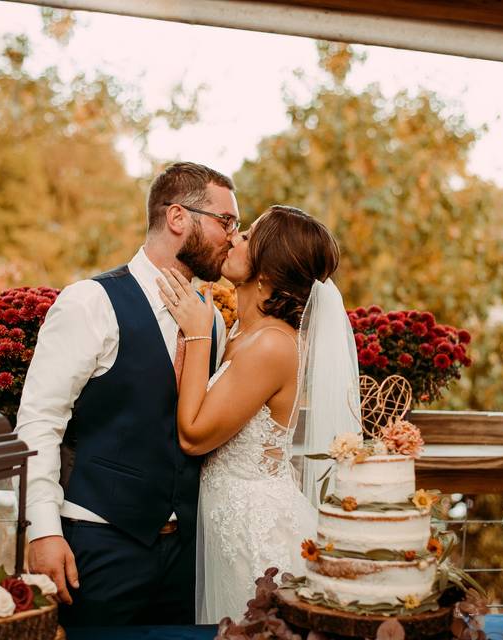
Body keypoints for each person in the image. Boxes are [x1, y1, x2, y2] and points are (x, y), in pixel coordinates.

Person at [15, 162, 238, 626]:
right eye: (226, 222)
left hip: (187, 559)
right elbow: (39, 420)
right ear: (179, 218)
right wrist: (42, 531)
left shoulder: (212, 321)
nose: (233, 237)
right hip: (100, 545)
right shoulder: (89, 303)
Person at [156, 205, 361, 623]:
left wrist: (197, 332)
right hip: (227, 519)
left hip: (254, 531)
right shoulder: (243, 330)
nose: (232, 238)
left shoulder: (273, 346)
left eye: (247, 236)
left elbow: (194, 435)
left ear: (266, 271)